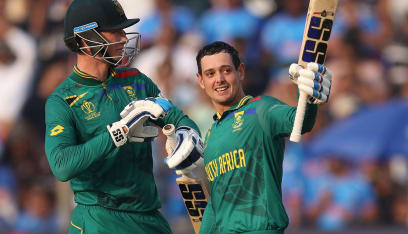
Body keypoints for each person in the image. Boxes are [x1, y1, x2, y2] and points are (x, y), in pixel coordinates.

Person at [44, 0, 201, 233]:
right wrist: (120, 131)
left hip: (148, 216)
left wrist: (187, 134)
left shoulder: (135, 79)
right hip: (99, 219)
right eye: (115, 32)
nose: (124, 38)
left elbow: (175, 116)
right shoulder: (62, 101)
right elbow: (61, 165)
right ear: (87, 40)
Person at [180, 41, 332, 233]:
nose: (219, 79)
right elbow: (216, 204)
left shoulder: (261, 109)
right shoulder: (210, 135)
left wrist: (309, 100)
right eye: (210, 73)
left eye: (226, 70)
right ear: (201, 80)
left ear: (240, 72)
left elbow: (300, 123)